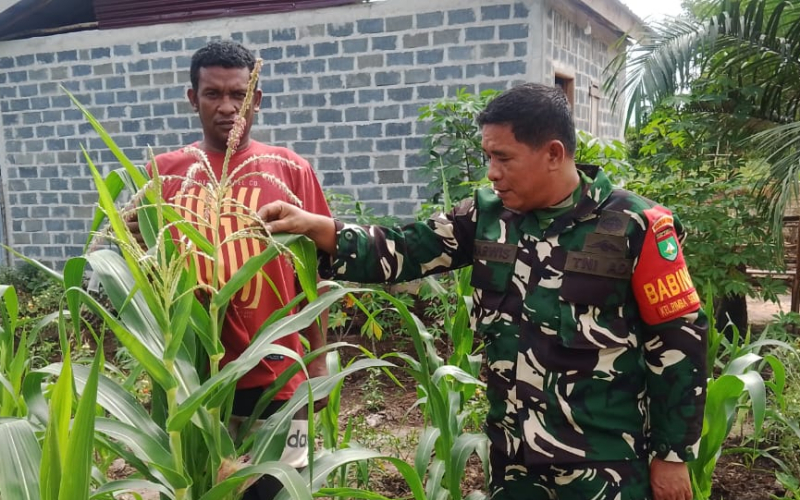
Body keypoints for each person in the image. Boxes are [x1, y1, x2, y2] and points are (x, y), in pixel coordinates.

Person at [256, 83, 707, 500]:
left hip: (603, 464)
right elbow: (406, 248)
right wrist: (321, 229)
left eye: (504, 158)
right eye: (488, 157)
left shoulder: (636, 225)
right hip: (512, 456)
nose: (492, 172)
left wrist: (672, 455)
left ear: (553, 153)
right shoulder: (487, 217)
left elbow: (679, 343)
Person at [128, 40, 330, 500]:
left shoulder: (290, 169)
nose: (227, 108)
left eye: (239, 95)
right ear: (191, 98)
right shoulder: (165, 174)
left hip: (279, 379)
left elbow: (314, 273)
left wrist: (317, 361)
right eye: (212, 94)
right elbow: (145, 266)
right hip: (193, 383)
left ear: (256, 98)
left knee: (278, 491)